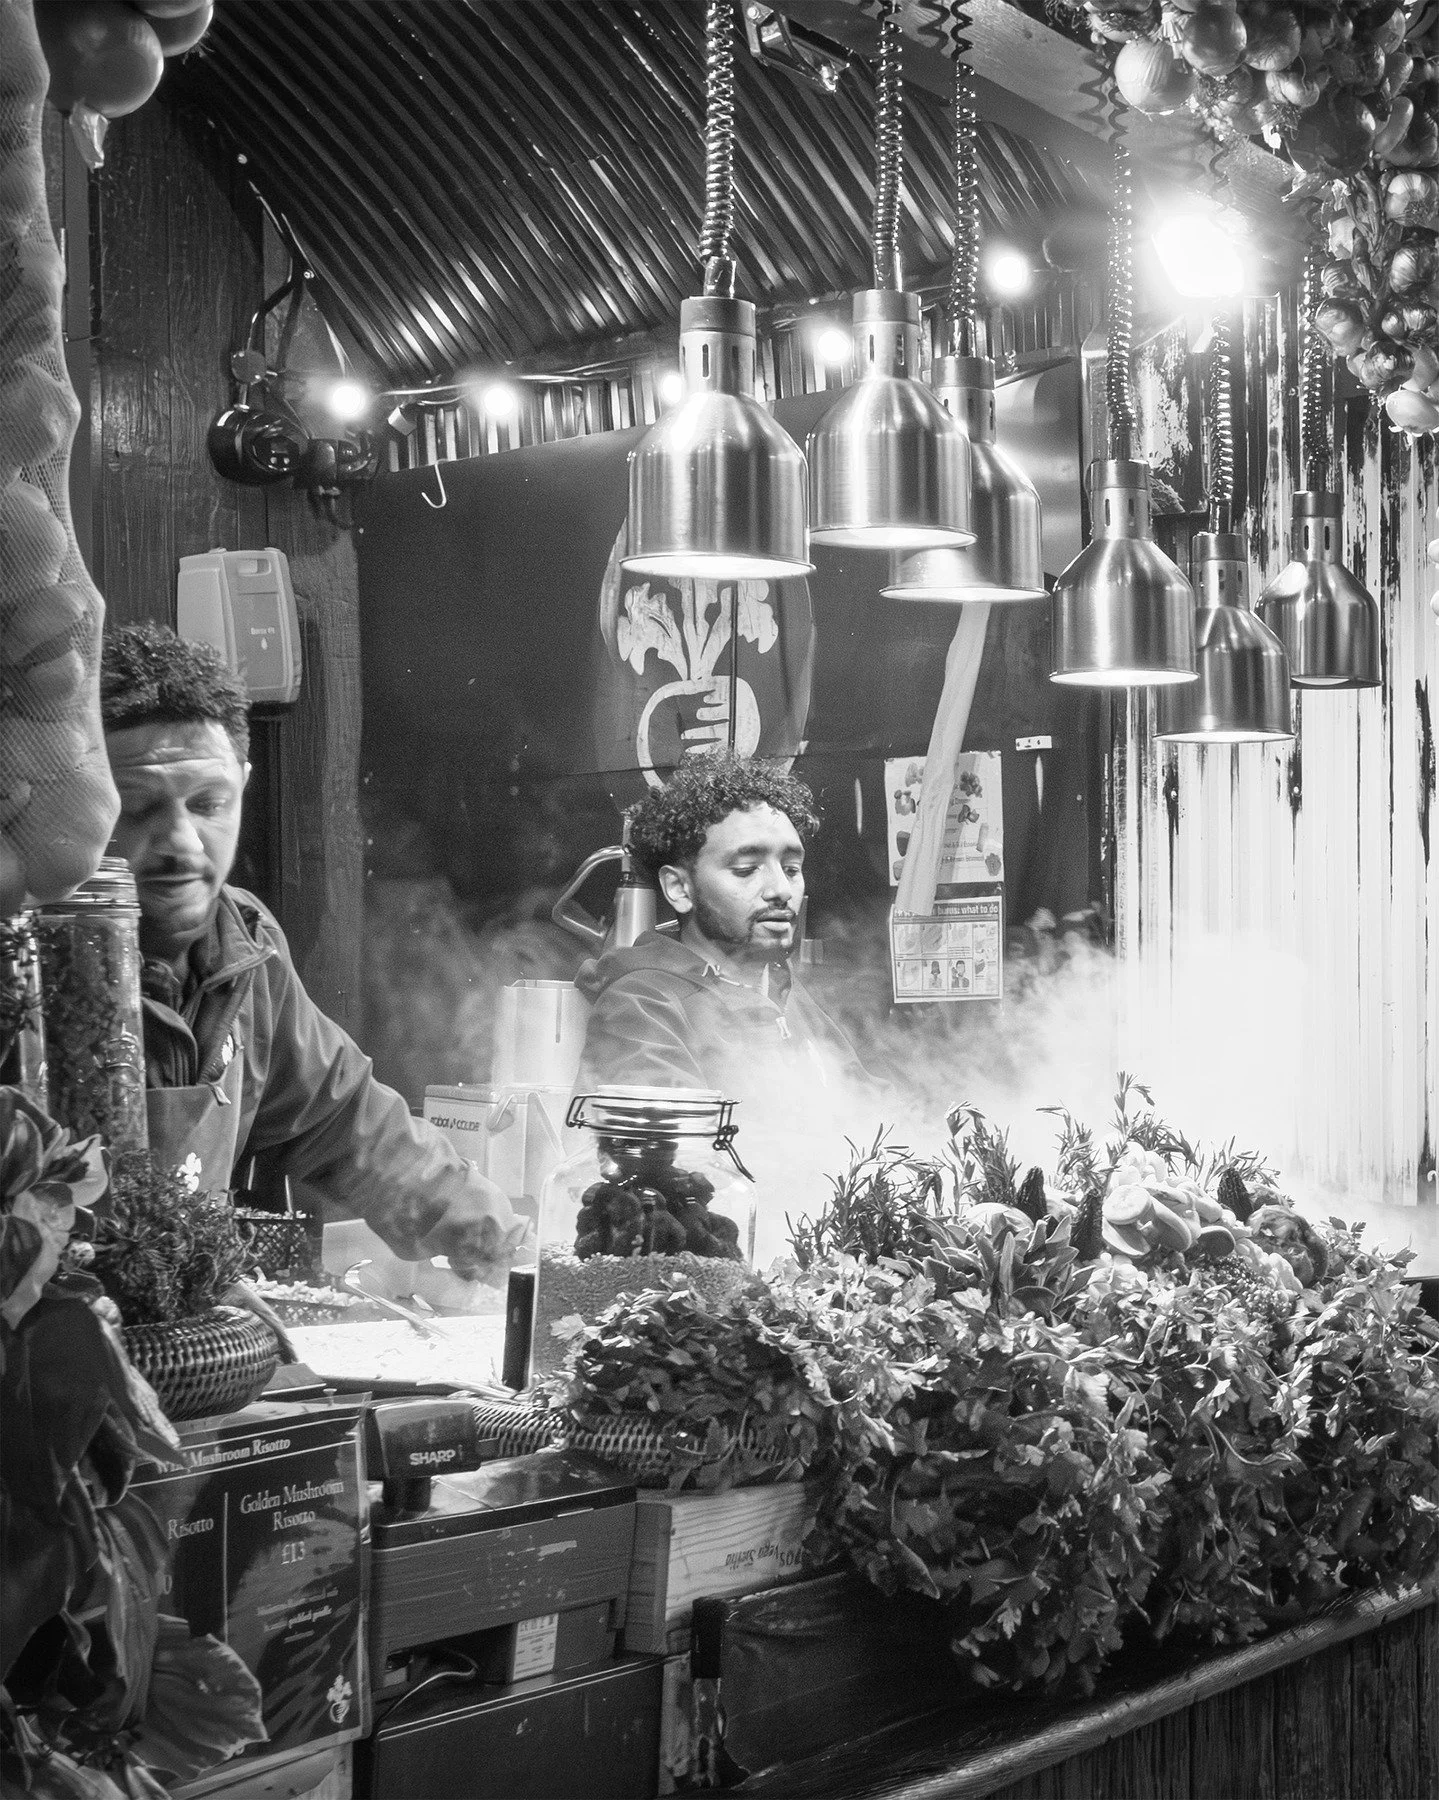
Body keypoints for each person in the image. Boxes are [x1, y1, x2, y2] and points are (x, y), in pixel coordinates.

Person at [99, 623, 523, 1288]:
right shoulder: (32, 961)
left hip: (192, 1344)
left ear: (242, 784)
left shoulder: (246, 947)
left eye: (208, 804)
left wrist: (496, 1242)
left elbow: (344, 1121)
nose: (182, 843)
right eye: (137, 808)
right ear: (78, 807)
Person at [573, 757, 874, 1253]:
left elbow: (873, 1114)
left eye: (792, 868)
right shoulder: (642, 1002)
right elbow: (678, 1174)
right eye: (746, 869)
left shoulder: (786, 996)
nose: (781, 889)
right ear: (680, 888)